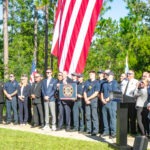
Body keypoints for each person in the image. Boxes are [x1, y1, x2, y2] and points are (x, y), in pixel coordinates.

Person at [101, 71, 119, 138]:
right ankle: (106, 131)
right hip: (104, 102)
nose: (106, 76)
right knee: (104, 117)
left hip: (112, 102)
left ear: (111, 76)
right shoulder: (104, 83)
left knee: (112, 118)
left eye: (108, 75)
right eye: (106, 75)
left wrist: (108, 98)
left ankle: (113, 133)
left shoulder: (115, 82)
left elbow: (115, 92)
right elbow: (102, 92)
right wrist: (102, 99)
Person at [84, 70, 99, 136]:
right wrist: (85, 99)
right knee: (87, 115)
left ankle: (95, 130)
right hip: (87, 100)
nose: (90, 75)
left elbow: (96, 93)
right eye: (90, 74)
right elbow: (84, 91)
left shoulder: (97, 82)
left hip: (93, 100)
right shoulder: (87, 82)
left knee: (94, 116)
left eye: (92, 74)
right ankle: (88, 130)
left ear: (94, 75)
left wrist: (88, 98)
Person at [124, 70, 138, 134]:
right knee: (125, 116)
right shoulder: (124, 81)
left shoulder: (136, 81)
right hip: (124, 100)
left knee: (132, 117)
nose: (128, 75)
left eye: (130, 74)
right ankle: (126, 130)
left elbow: (136, 92)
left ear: (133, 75)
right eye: (127, 74)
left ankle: (133, 131)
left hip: (132, 101)